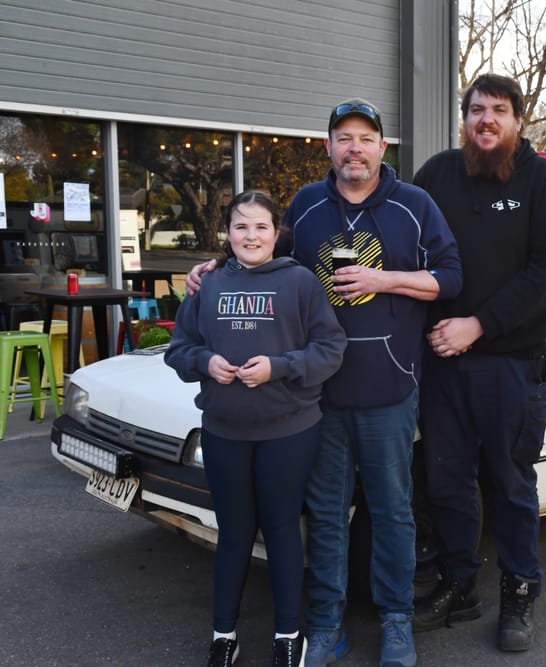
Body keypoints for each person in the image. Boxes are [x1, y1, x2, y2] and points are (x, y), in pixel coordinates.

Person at [186, 99, 462, 667]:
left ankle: (395, 622)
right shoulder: (307, 205)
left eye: (365, 137)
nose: (354, 147)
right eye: (343, 137)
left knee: (392, 511)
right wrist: (215, 266)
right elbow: (265, 257)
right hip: (317, 398)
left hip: (390, 388)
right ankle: (326, 625)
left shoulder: (415, 206)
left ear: (383, 148)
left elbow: (451, 279)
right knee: (328, 516)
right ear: (329, 148)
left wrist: (384, 279)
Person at [411, 73, 546, 652]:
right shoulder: (436, 175)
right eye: (476, 109)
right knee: (447, 482)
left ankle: (520, 593)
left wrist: (476, 326)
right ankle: (460, 585)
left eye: (499, 111)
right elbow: (394, 238)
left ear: (518, 121)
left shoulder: (544, 183)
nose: (486, 120)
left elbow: (545, 276)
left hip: (510, 365)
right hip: (443, 366)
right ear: (464, 118)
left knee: (509, 485)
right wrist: (260, 258)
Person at [165, 190, 347, 667]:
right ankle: (224, 634)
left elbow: (331, 348)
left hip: (289, 431)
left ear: (276, 233)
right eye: (241, 226)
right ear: (227, 234)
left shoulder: (301, 283)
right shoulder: (207, 286)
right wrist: (206, 361)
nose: (251, 235)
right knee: (234, 533)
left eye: (261, 226)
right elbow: (179, 350)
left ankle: (289, 634)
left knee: (283, 529)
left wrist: (280, 367)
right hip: (225, 431)